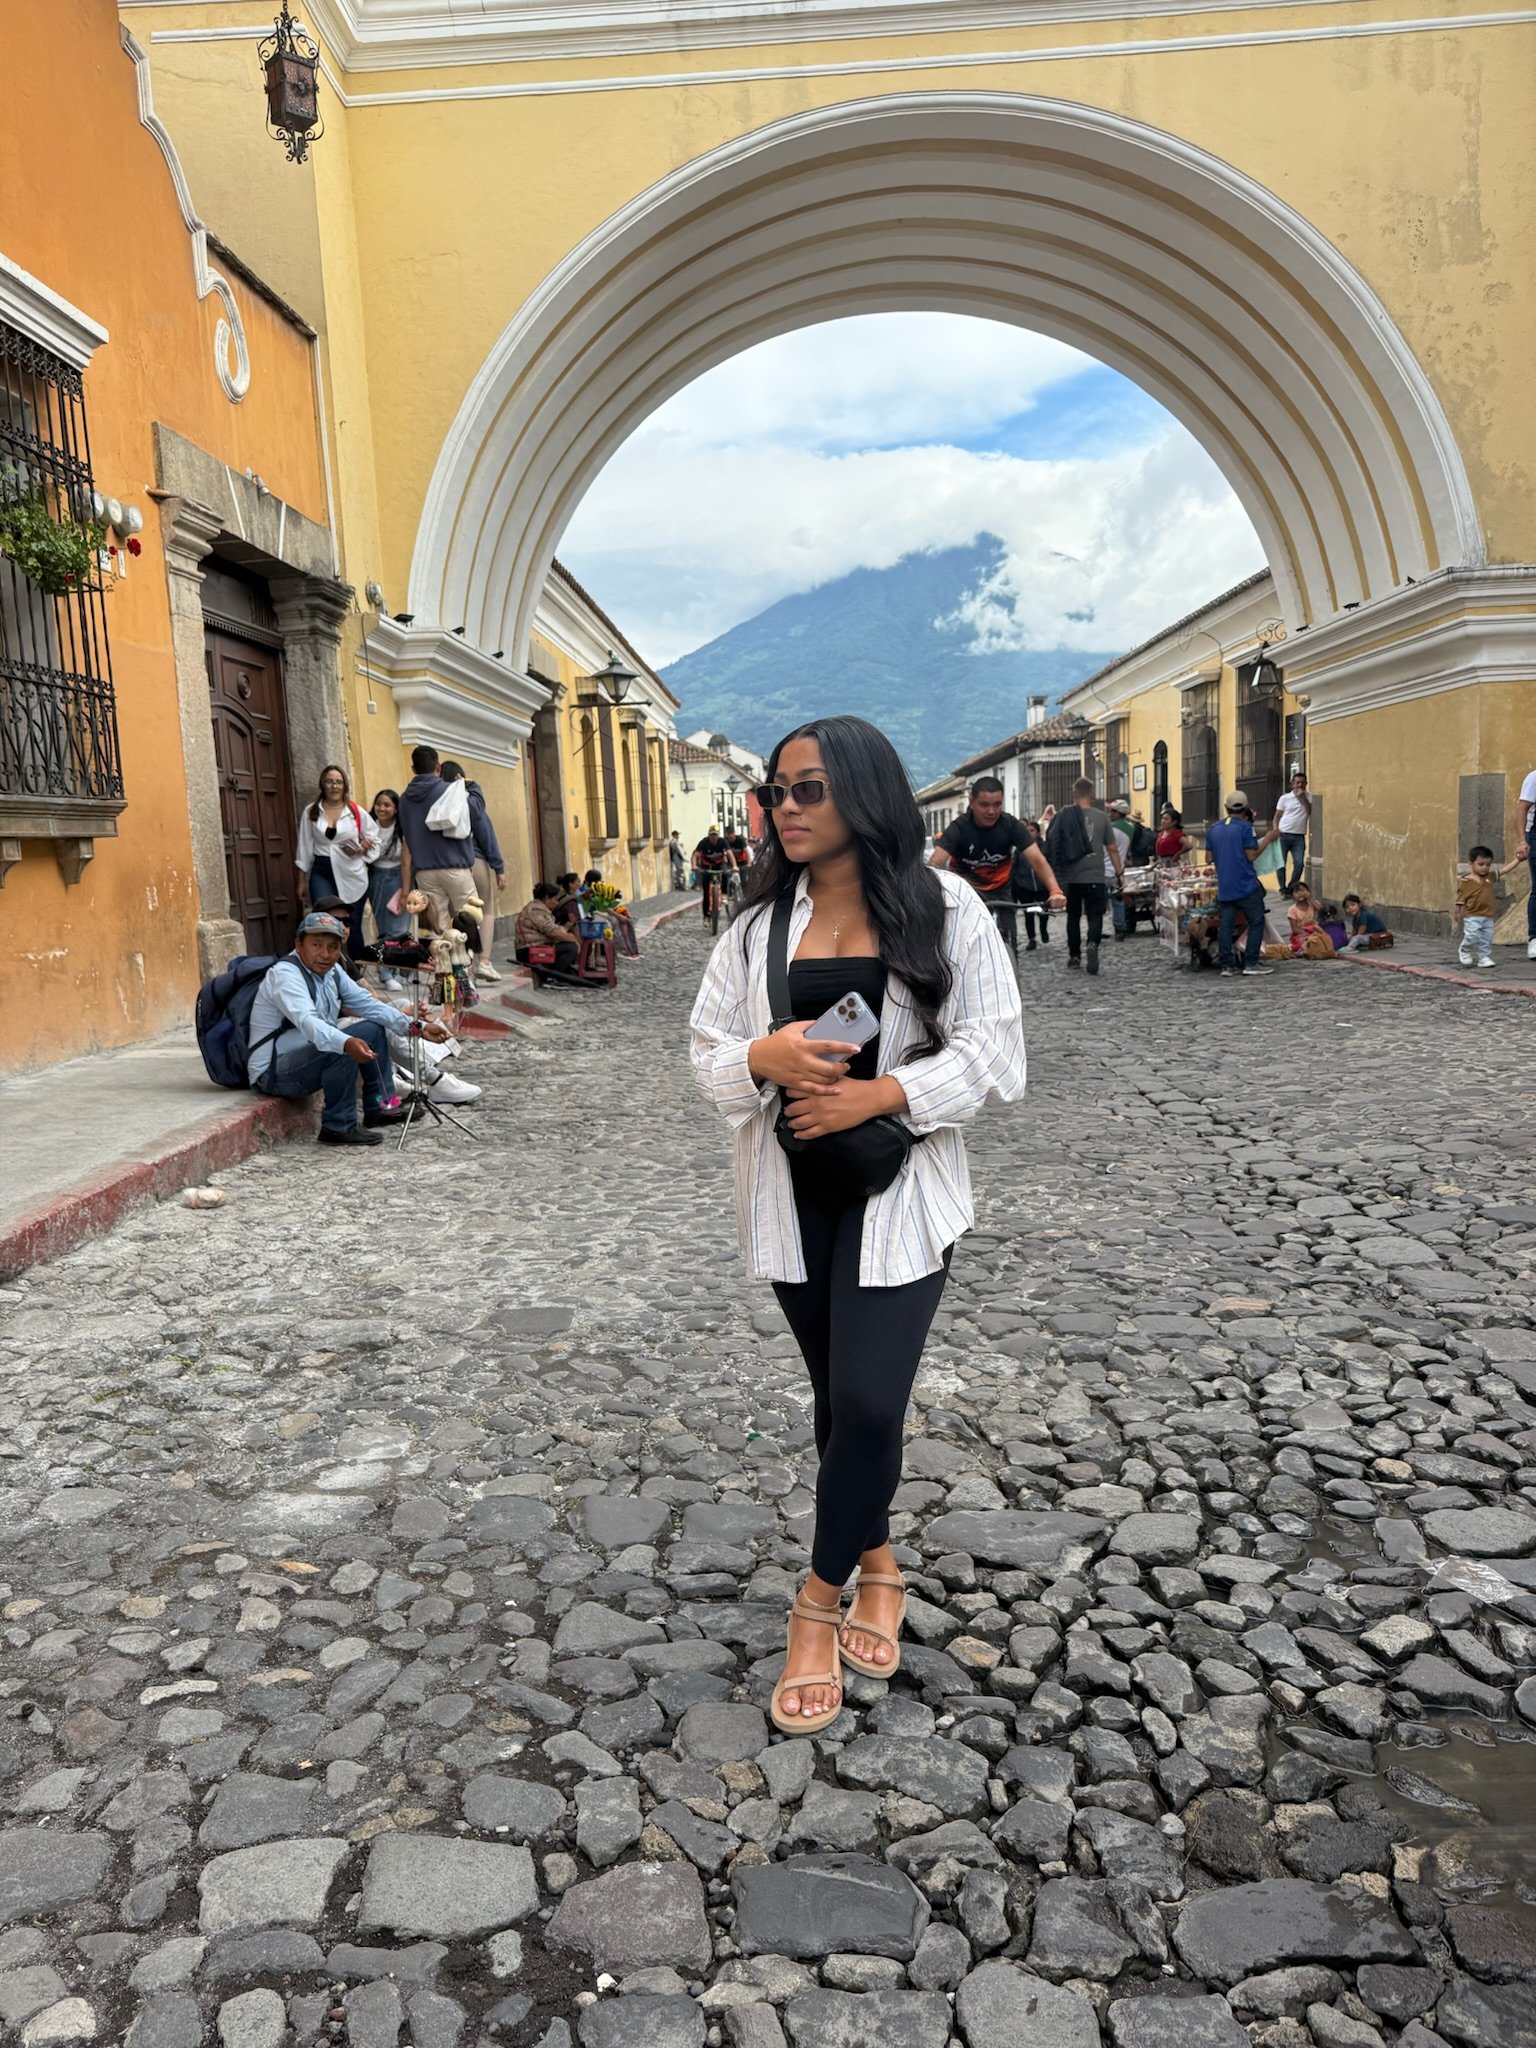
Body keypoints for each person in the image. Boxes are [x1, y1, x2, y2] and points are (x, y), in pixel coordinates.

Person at [690, 715, 1025, 1734]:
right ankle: (878, 1559)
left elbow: (991, 1050)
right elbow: (707, 1052)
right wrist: (768, 1056)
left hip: (902, 1200)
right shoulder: (756, 929)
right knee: (838, 1398)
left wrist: (879, 1098)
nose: (785, 809)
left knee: (872, 1402)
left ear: (864, 797)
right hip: (792, 1201)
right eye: (776, 793)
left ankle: (815, 1602)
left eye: (808, 791)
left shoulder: (943, 907)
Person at [248, 911, 450, 1146]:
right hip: (273, 1070)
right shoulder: (286, 975)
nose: (325, 954)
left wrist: (418, 1027)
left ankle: (382, 1106)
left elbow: (368, 1005)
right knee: (340, 1042)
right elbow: (309, 1023)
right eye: (316, 945)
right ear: (298, 944)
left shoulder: (332, 972)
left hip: (306, 1053)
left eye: (332, 947)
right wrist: (345, 1043)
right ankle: (338, 1125)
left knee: (373, 1027)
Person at [930, 775, 1064, 952]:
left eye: (997, 805)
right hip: (965, 891)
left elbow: (1037, 860)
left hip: (1001, 891)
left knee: (1009, 941)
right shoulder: (959, 827)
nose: (991, 811)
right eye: (984, 805)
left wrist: (1055, 891)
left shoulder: (1010, 825)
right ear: (971, 802)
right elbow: (936, 862)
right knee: (957, 944)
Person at [295, 765, 375, 967]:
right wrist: (301, 881)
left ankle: (356, 968)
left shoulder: (355, 811)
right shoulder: (311, 811)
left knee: (351, 923)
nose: (334, 786)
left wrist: (363, 847)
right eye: (330, 781)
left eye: (338, 782)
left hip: (351, 871)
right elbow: (304, 847)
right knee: (324, 921)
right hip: (322, 870)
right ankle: (328, 965)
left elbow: (374, 837)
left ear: (344, 785)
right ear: (323, 783)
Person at [398, 743, 477, 936]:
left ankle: (442, 964)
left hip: (425, 871)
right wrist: (471, 786)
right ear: (438, 767)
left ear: (413, 769)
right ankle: (465, 964)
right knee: (470, 918)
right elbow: (476, 810)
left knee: (437, 925)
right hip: (455, 866)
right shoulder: (450, 791)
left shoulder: (404, 799)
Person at [441, 760, 506, 983]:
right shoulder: (471, 802)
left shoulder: (438, 804)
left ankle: (463, 966)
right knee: (485, 911)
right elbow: (487, 835)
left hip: (448, 865)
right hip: (475, 860)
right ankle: (485, 961)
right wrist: (499, 867)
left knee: (458, 916)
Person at [1050, 777, 1121, 975]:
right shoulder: (1102, 817)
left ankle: (1074, 955)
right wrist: (1119, 873)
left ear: (1074, 794)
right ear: (1091, 793)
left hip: (1072, 877)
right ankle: (1092, 944)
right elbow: (1113, 848)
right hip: (1095, 875)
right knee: (1095, 914)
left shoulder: (1065, 816)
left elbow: (1055, 842)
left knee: (1073, 916)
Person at [1207, 790, 1281, 978]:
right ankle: (1251, 962)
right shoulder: (1245, 828)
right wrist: (1268, 840)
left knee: (1226, 924)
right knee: (1256, 921)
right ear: (1245, 808)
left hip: (1225, 885)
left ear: (1226, 808)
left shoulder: (1214, 829)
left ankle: (1226, 965)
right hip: (1246, 884)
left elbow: (1209, 858)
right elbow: (1252, 855)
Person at [1456, 843, 1527, 969]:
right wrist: (1458, 912)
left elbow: (1505, 870)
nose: (1484, 868)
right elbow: (1461, 899)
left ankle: (1483, 957)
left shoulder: (1490, 877)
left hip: (1487, 915)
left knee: (1486, 938)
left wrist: (1518, 860)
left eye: (1488, 865)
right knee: (1472, 935)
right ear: (1471, 864)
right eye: (1481, 864)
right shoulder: (1466, 881)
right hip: (1472, 915)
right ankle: (1465, 949)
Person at [367, 789, 410, 990]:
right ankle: (385, 973)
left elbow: (406, 863)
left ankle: (395, 970)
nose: (381, 808)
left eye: (387, 805)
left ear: (395, 809)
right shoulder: (369, 826)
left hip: (399, 879)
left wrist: (406, 891)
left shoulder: (402, 829)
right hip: (377, 879)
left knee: (400, 930)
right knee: (384, 929)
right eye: (378, 804)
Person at [515, 882, 580, 977]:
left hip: (535, 948)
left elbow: (553, 929)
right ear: (547, 898)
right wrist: (574, 939)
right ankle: (553, 977)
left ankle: (560, 973)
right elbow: (552, 932)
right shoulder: (536, 910)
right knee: (571, 947)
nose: (557, 903)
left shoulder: (538, 908)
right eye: (555, 899)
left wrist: (565, 930)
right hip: (528, 951)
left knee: (567, 946)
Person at [1273, 770, 1313, 897]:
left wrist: (1302, 798)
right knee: (1280, 864)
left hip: (1298, 836)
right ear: (1292, 784)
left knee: (1299, 863)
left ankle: (1291, 887)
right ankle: (1282, 888)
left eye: (1303, 783)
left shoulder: (1309, 796)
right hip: (1284, 834)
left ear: (1306, 783)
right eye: (1298, 782)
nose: (1300, 785)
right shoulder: (1284, 798)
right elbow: (1277, 816)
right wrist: (1275, 829)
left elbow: (1310, 811)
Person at [693, 826, 732, 922]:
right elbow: (695, 855)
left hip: (719, 865)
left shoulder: (723, 842)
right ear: (709, 835)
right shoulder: (703, 842)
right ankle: (706, 916)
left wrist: (734, 866)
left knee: (725, 873)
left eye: (715, 835)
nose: (714, 837)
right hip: (707, 867)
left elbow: (730, 854)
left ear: (718, 835)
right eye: (712, 835)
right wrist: (694, 866)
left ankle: (724, 894)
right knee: (706, 893)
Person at [1517, 768, 1536, 959]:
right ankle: (1534, 939)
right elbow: (1522, 808)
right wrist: (1522, 840)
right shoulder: (1534, 778)